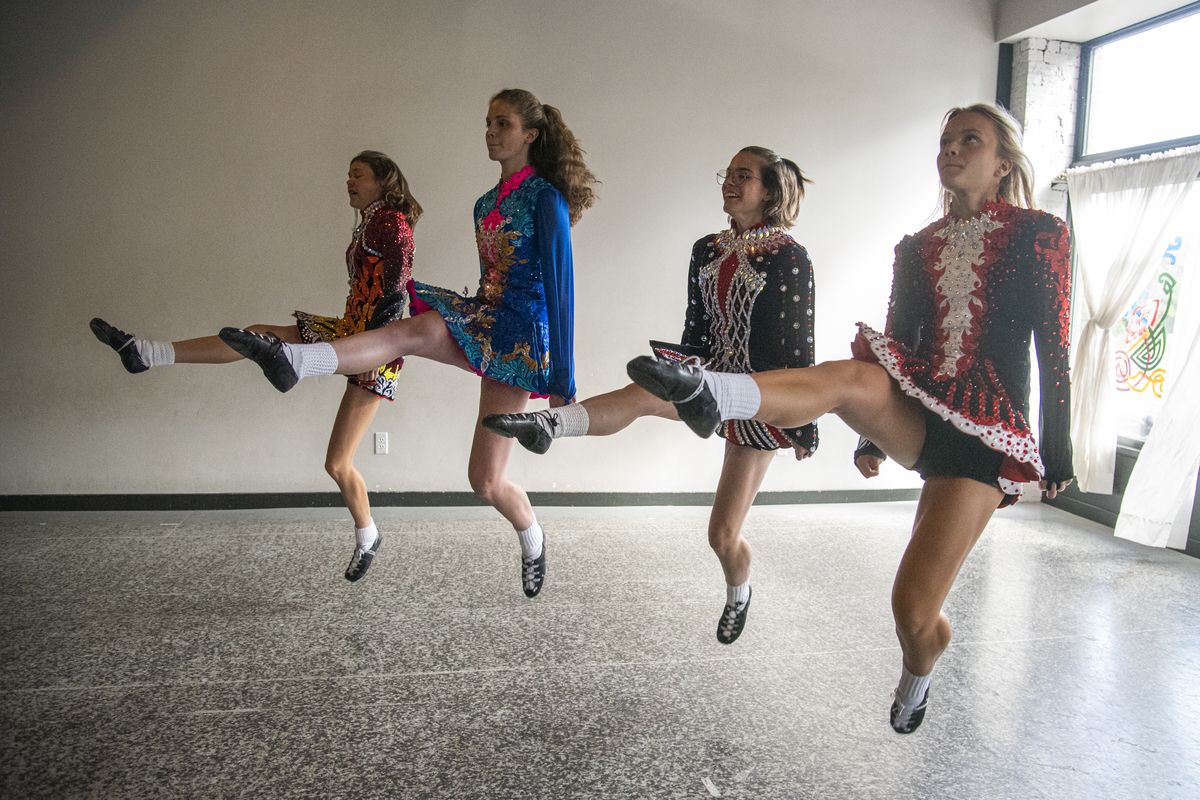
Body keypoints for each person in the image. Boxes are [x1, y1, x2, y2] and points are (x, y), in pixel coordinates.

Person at [626, 104, 1073, 733]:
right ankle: (710, 393)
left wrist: (1060, 452)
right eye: (944, 140)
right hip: (921, 410)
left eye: (969, 140)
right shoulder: (916, 246)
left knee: (913, 612)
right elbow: (899, 340)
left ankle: (920, 672)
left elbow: (1054, 346)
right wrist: (873, 436)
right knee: (854, 375)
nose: (951, 150)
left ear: (1003, 162)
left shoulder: (1039, 233)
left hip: (983, 432)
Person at [219, 89, 598, 598]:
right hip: (486, 316)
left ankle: (532, 536)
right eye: (487, 122)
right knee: (412, 330)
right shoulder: (486, 203)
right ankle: (295, 359)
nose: (490, 132)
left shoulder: (545, 197)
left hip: (523, 341)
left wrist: (562, 379)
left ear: (529, 133)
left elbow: (561, 286)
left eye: (502, 124)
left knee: (484, 482)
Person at [483, 146, 818, 644]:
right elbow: (696, 331)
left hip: (757, 398)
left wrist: (798, 419)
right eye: (726, 173)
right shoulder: (707, 248)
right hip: (707, 377)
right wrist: (677, 369)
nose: (729, 182)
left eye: (743, 175)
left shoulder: (790, 256)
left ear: (769, 190)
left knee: (721, 536)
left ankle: (738, 591)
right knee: (639, 393)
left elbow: (795, 348)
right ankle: (547, 425)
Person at [90, 150, 420, 583]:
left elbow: (396, 294)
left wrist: (369, 348)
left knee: (337, 464)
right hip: (349, 330)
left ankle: (368, 536)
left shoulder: (391, 224)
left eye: (357, 175)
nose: (348, 181)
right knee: (256, 333)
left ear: (383, 180)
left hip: (374, 348)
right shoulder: (370, 223)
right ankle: (147, 352)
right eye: (347, 174)